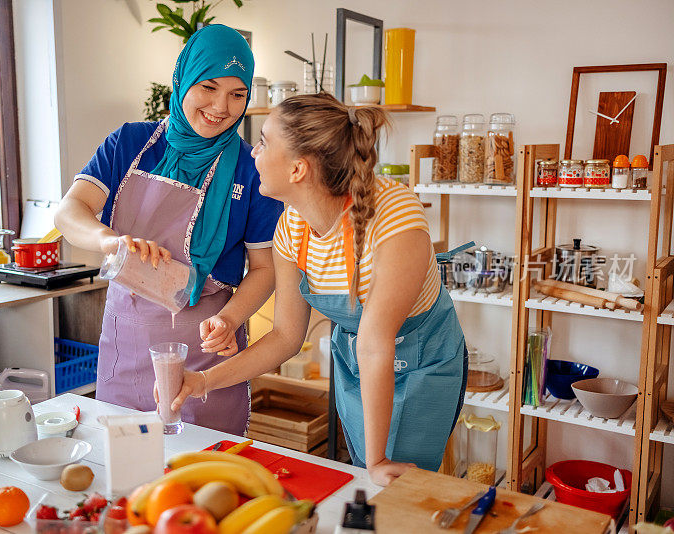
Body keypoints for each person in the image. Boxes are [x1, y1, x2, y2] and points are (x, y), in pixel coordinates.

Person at [166, 93, 467, 485]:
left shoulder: (395, 216)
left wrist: (377, 460)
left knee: (401, 485)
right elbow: (285, 336)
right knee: (368, 480)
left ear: (297, 169)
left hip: (422, 358)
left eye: (264, 141)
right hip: (360, 359)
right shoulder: (291, 227)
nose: (253, 153)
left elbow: (377, 341)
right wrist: (202, 381)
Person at [54, 25, 283, 435]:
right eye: (208, 87)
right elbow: (71, 211)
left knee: (203, 480)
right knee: (125, 472)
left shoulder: (252, 168)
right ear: (182, 80)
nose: (221, 106)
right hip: (127, 342)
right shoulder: (131, 142)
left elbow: (265, 269)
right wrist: (109, 240)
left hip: (208, 349)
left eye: (237, 94)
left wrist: (230, 320)